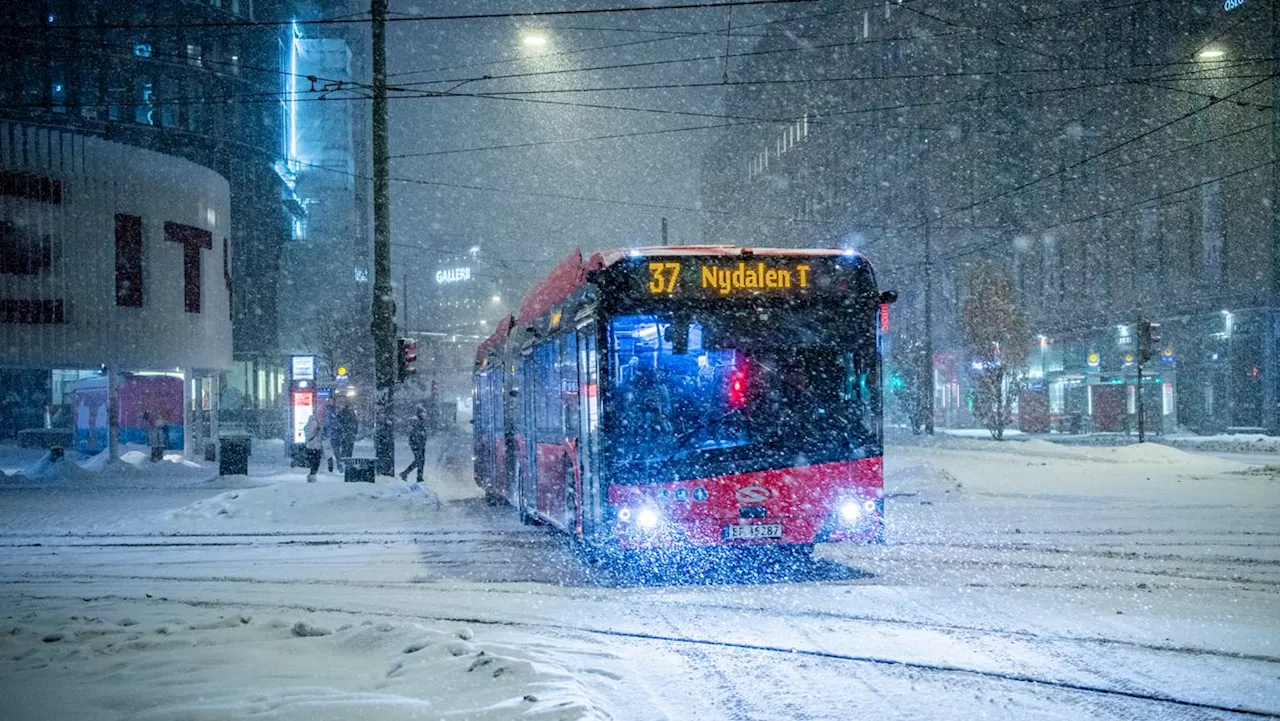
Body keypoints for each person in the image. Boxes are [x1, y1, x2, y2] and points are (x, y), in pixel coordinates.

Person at [400, 406, 427, 483]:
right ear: (420, 413)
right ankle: (405, 473)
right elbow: (413, 432)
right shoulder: (415, 420)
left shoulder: (420, 421)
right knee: (419, 460)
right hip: (416, 444)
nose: (425, 414)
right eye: (423, 413)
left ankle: (419, 477)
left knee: (421, 460)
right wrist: (419, 435)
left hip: (420, 444)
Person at [303, 413, 323, 482]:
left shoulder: (309, 424)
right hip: (315, 446)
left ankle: (312, 475)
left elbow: (307, 433)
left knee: (312, 461)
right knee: (316, 461)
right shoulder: (315, 423)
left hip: (310, 446)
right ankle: (312, 476)